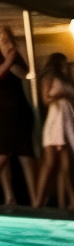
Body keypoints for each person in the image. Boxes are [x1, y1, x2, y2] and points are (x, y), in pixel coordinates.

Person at [0, 26, 38, 205]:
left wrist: (13, 56)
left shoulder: (16, 57)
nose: (3, 40)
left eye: (6, 37)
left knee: (26, 154)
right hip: (4, 113)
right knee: (2, 152)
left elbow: (24, 73)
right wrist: (7, 60)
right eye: (0, 37)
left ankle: (35, 200)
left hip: (22, 112)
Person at [32, 53, 74, 208]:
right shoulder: (50, 76)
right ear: (56, 63)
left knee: (67, 164)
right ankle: (37, 202)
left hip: (67, 121)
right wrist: (63, 94)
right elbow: (45, 99)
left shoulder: (67, 79)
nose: (65, 65)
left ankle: (69, 201)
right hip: (55, 121)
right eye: (63, 63)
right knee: (49, 163)